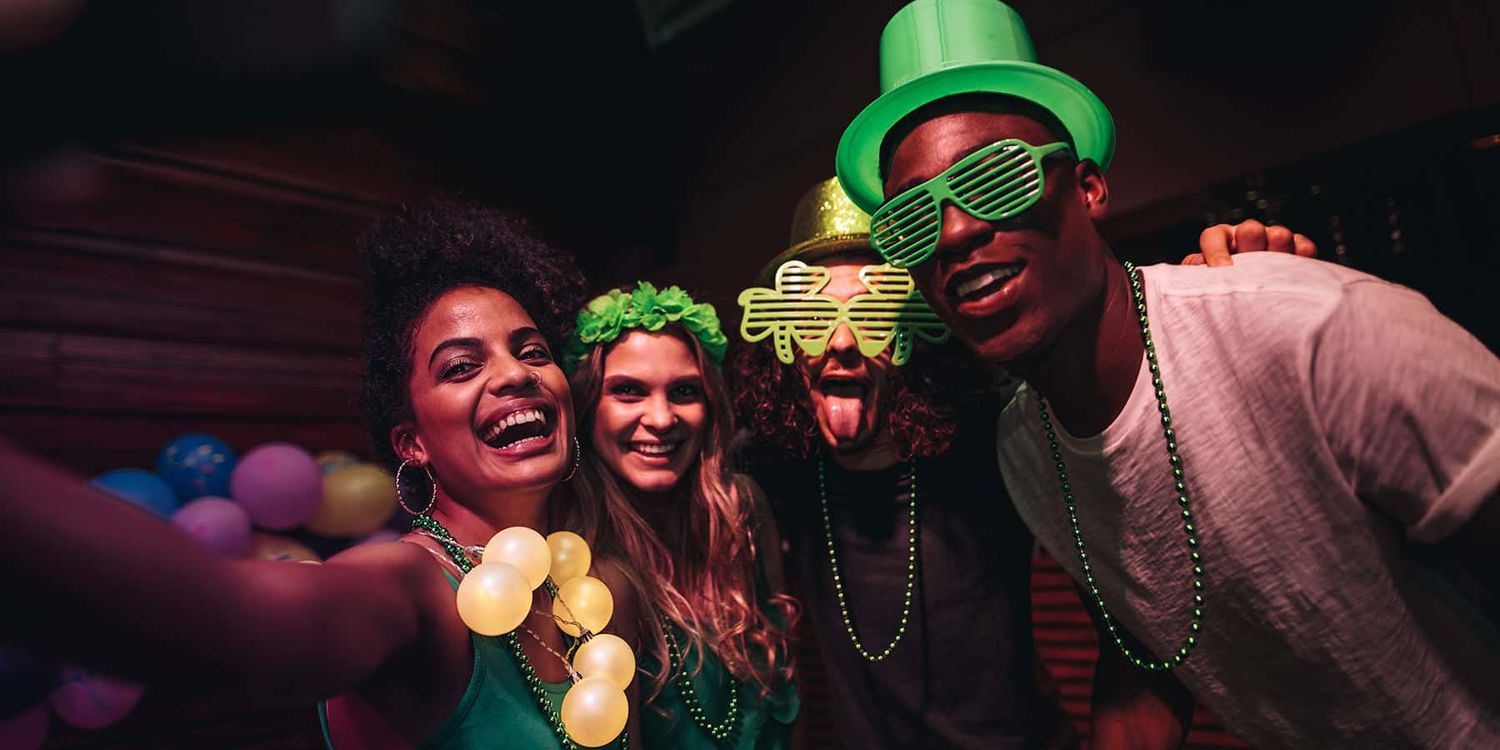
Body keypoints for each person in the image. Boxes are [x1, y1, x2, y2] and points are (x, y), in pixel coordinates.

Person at [835, 1, 1500, 747]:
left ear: (1087, 188)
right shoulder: (1026, 448)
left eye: (994, 180)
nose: (954, 232)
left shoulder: (1307, 330)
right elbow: (1150, 656)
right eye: (912, 222)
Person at [0, 200, 636, 749]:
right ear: (411, 444)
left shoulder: (583, 582)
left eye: (532, 352)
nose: (516, 373)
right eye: (461, 367)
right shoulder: (403, 589)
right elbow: (236, 623)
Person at [728, 178, 1308, 749]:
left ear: (918, 331)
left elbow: (1143, 640)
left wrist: (1228, 300)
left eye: (874, 312)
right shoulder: (781, 470)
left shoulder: (1000, 446)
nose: (843, 343)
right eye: (810, 317)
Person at [566, 282, 800, 748]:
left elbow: (792, 701)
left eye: (684, 391)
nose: (661, 418)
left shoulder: (741, 512)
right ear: (588, 405)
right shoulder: (574, 554)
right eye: (629, 391)